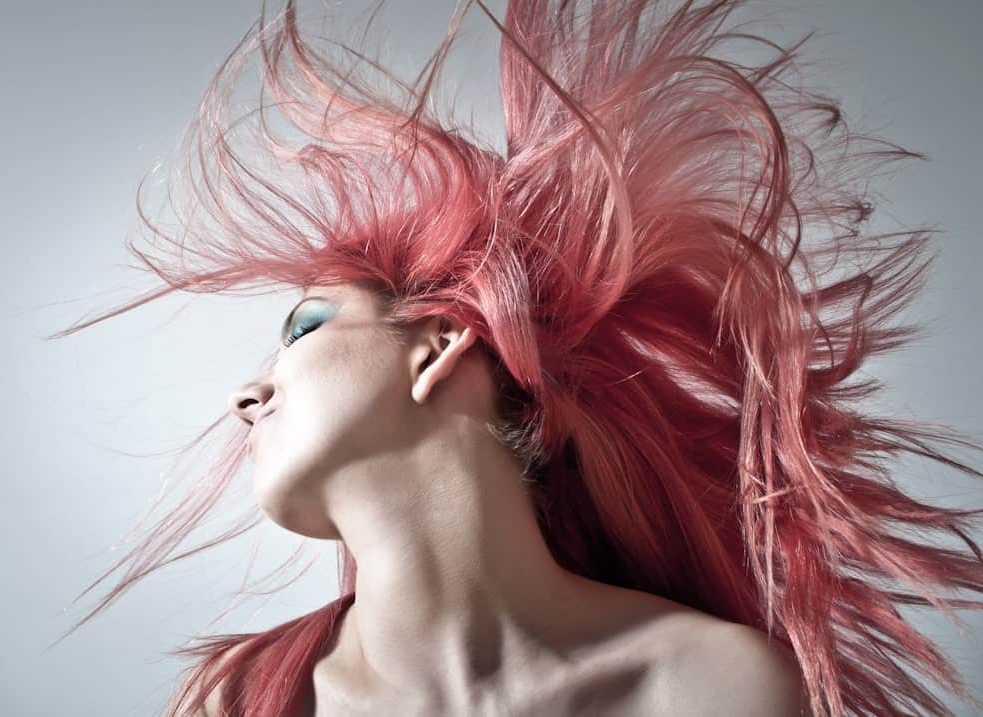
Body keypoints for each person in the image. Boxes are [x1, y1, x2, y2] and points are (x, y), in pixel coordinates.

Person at [49, 1, 983, 715]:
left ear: (438, 342)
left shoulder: (706, 685)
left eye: (303, 328)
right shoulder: (245, 694)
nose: (243, 394)